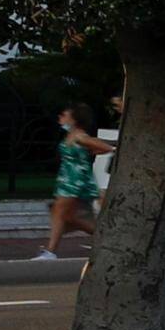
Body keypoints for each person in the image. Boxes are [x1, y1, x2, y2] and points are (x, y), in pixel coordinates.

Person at [44, 104, 110, 257]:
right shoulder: (72, 135)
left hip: (75, 181)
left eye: (64, 114)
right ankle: (108, 237)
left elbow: (105, 147)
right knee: (68, 216)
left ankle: (50, 252)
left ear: (74, 119)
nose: (60, 117)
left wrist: (94, 151)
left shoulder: (79, 136)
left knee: (59, 212)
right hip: (68, 180)